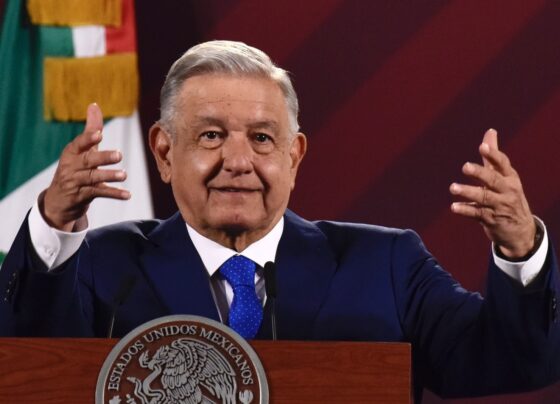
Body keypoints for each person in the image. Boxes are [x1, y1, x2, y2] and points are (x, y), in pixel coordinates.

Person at [0, 40, 558, 401]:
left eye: (262, 139)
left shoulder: (386, 265)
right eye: (211, 135)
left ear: (294, 157)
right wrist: (53, 224)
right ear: (165, 153)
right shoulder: (103, 266)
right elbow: (22, 366)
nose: (238, 161)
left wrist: (521, 250)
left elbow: (512, 362)